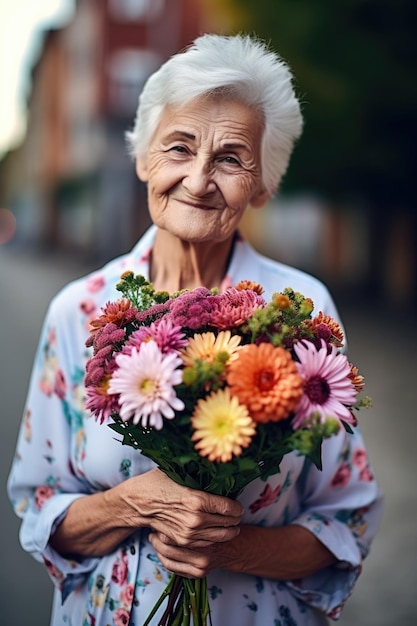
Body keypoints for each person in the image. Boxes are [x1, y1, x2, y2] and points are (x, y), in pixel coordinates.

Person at [7, 33, 383, 626]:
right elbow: (41, 509)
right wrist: (132, 504)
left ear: (263, 185)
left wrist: (228, 547)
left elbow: (346, 520)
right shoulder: (79, 311)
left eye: (231, 158)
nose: (200, 179)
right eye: (178, 148)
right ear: (142, 158)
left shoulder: (301, 310)